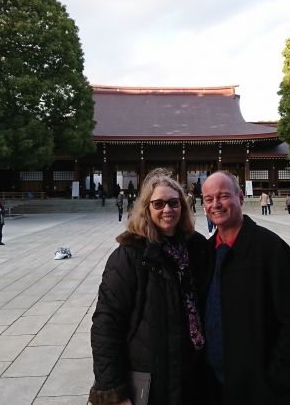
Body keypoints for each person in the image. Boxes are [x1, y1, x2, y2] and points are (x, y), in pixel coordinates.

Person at [89, 169, 209, 405]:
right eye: (159, 204)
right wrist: (112, 389)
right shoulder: (130, 254)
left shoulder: (196, 248)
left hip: (192, 368)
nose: (167, 210)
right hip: (149, 372)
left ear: (183, 206)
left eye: (174, 203)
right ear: (146, 208)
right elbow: (107, 322)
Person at [201, 171, 290, 404]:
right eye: (208, 198)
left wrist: (276, 379)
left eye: (224, 196)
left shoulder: (270, 249)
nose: (216, 204)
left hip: (265, 391)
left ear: (240, 198)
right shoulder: (205, 253)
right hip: (218, 387)